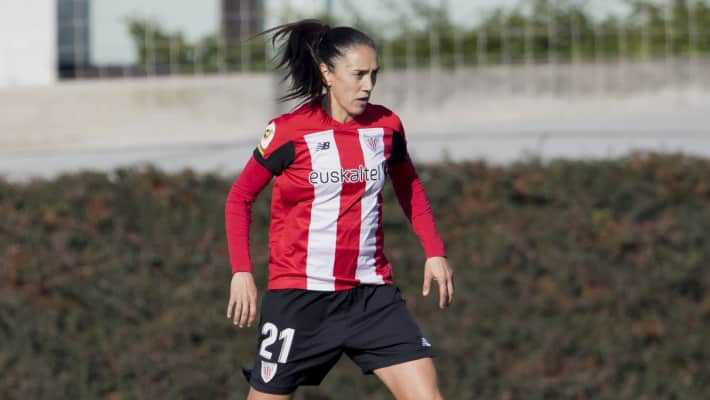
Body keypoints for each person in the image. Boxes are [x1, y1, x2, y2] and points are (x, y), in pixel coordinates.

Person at [224, 19, 454, 400]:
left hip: (371, 296)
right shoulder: (288, 131)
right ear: (327, 73)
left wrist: (434, 251)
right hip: (300, 299)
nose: (368, 85)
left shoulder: (387, 127)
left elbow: (410, 187)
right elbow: (239, 197)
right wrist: (241, 271)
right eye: (358, 74)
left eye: (374, 74)